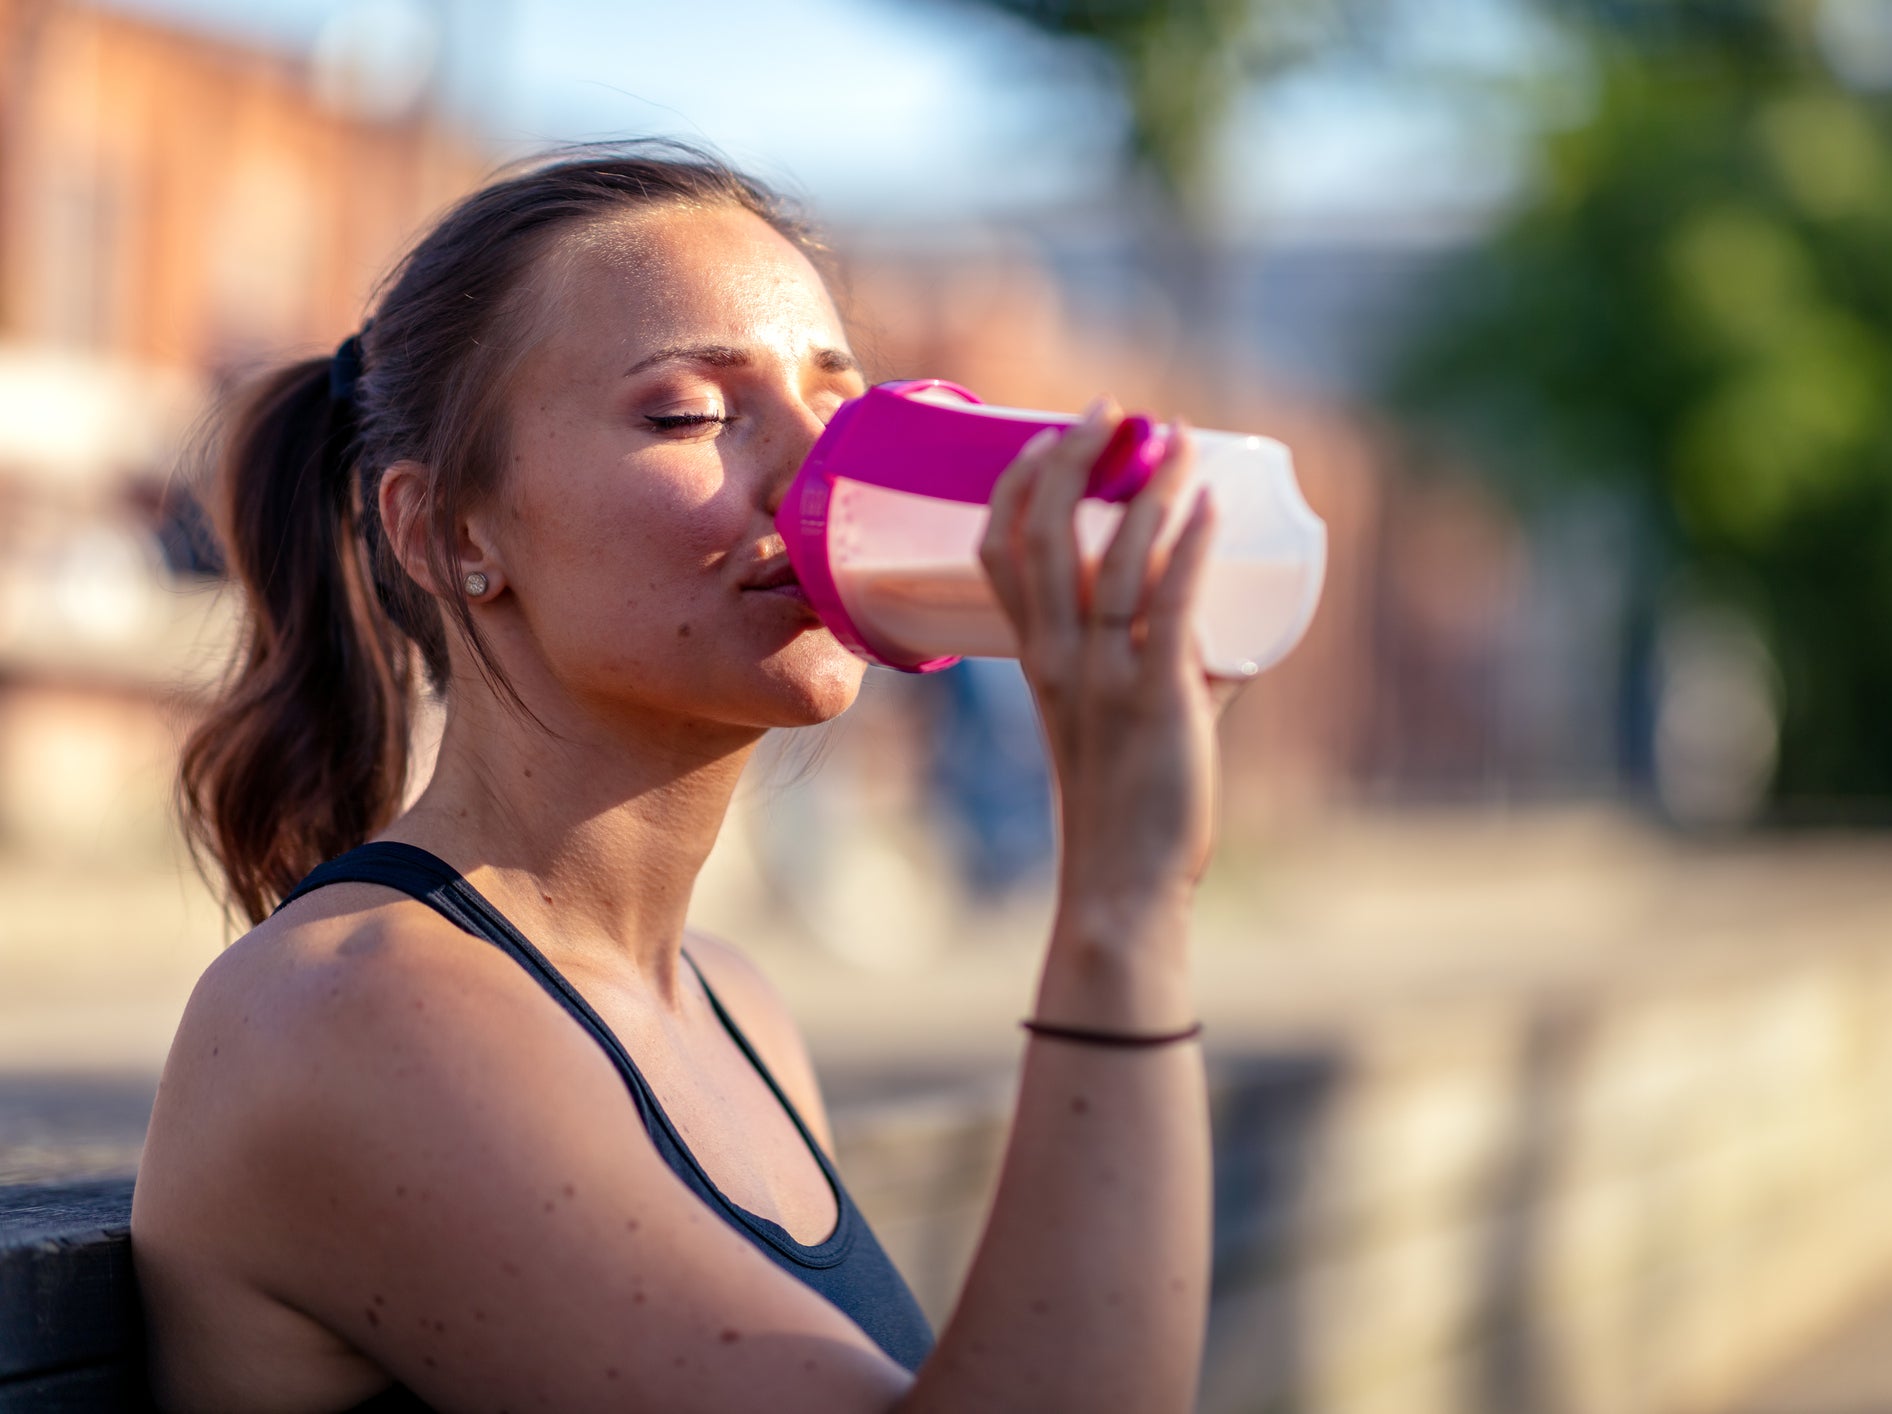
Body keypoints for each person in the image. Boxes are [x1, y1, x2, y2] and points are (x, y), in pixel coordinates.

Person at [130, 143, 1237, 1413]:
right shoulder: (348, 1015)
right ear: (444, 531)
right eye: (692, 414)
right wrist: (1122, 902)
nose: (828, 474)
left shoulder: (734, 1010)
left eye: (843, 407)